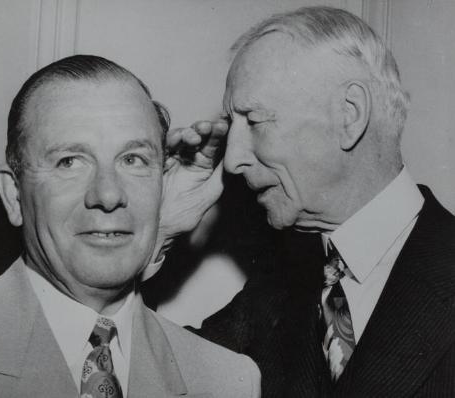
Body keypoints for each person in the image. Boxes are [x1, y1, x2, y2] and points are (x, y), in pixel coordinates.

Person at [167, 6, 455, 397]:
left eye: (254, 121)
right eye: (232, 125)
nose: (232, 161)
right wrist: (159, 228)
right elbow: (159, 376)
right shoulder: (277, 285)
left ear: (349, 115)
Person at [0, 55, 260, 398]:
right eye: (69, 161)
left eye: (133, 160)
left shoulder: (229, 381)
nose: (109, 194)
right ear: (14, 195)